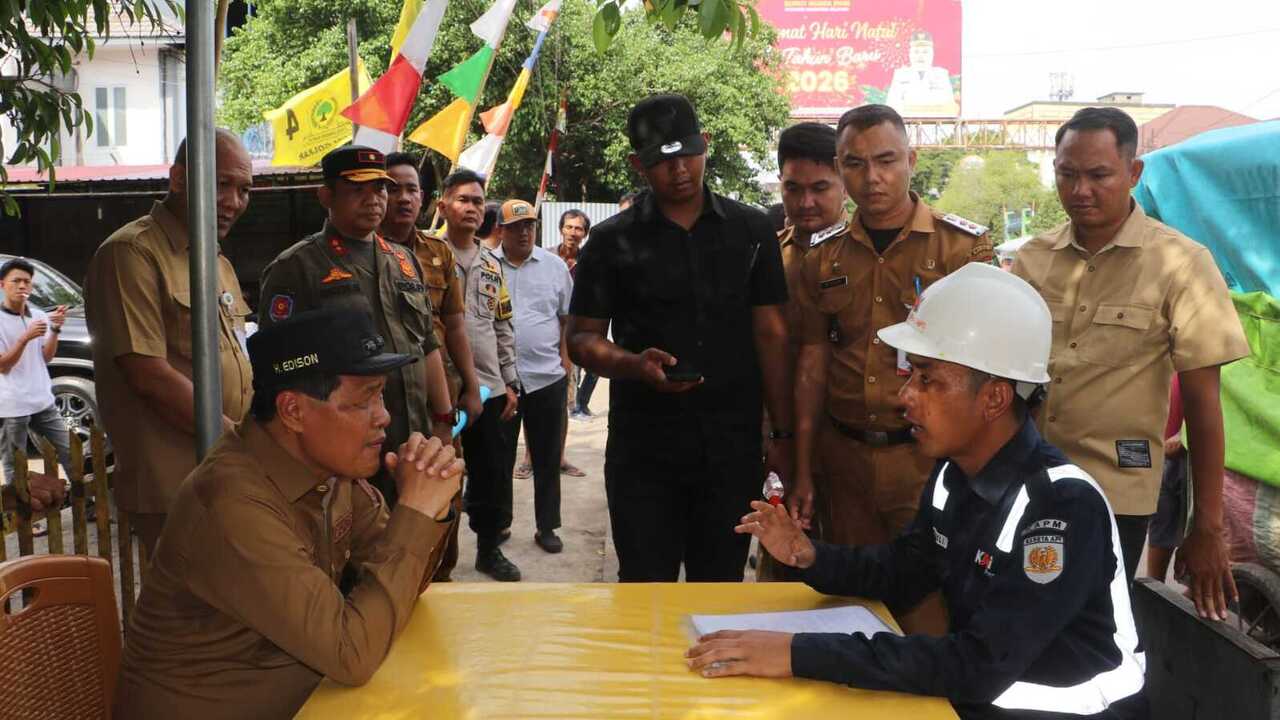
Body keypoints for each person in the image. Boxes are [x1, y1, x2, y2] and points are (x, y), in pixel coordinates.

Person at [688, 263, 1148, 720]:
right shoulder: (954, 475)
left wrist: (796, 654)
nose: (903, 395)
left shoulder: (1062, 506)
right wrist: (809, 555)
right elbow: (903, 570)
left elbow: (978, 665)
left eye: (927, 379)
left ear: (994, 398)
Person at [114, 307, 463, 718]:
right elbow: (351, 654)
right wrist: (415, 513)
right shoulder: (233, 502)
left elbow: (397, 583)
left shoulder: (332, 473)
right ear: (293, 411)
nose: (384, 416)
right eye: (363, 400)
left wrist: (430, 510)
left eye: (381, 394)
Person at [1011, 107, 1250, 620]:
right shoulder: (1032, 259)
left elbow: (1206, 410)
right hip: (1026, 482)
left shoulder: (1181, 264)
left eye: (1099, 175)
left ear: (1133, 173)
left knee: (1099, 637)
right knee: (1020, 625)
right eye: (1067, 174)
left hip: (1113, 496)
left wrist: (1206, 527)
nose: (1080, 190)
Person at [567, 93, 793, 582]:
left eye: (688, 153)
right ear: (637, 164)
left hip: (731, 453)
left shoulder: (752, 231)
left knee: (720, 588)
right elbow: (581, 339)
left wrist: (781, 435)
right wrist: (632, 364)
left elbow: (772, 335)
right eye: (661, 161)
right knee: (645, 590)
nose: (679, 170)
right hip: (644, 453)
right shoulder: (611, 240)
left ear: (706, 144)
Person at [792, 104, 992, 633]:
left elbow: (989, 370)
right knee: (854, 607)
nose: (872, 177)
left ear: (912, 159)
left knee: (934, 611)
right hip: (846, 461)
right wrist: (804, 464)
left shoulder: (963, 248)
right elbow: (813, 360)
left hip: (928, 462)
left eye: (886, 160)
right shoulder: (823, 255)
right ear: (840, 168)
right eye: (854, 164)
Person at [83, 129, 256, 559]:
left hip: (226, 471)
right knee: (195, 617)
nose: (234, 201)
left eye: (244, 189)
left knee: (230, 612)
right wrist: (242, 445)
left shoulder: (216, 260)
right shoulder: (132, 253)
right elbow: (148, 375)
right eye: (221, 184)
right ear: (179, 179)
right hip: (177, 484)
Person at [258, 144, 456, 510]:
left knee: (425, 542)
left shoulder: (403, 261)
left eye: (380, 188)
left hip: (412, 443)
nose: (374, 199)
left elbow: (427, 344)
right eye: (357, 190)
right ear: (326, 196)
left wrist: (444, 422)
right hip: (342, 460)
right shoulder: (298, 267)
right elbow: (279, 373)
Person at [381, 151, 483, 582]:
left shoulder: (437, 253)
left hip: (439, 397)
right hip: (385, 402)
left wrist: (473, 389)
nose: (403, 198)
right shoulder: (361, 252)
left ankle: (440, 576)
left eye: (412, 189)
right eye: (392, 188)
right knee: (388, 494)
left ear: (425, 199)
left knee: (444, 489)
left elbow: (455, 327)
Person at [756, 122, 846, 582]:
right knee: (785, 568)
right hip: (784, 440)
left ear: (843, 183)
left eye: (820, 188)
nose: (806, 202)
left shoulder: (870, 256)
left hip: (854, 443)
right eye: (793, 188)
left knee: (850, 571)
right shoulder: (768, 257)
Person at [434, 170, 523, 582]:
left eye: (477, 201)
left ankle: (489, 549)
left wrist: (511, 381)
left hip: (487, 387)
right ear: (442, 206)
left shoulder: (492, 264)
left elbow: (503, 326)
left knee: (491, 475)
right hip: (439, 388)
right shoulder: (422, 256)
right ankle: (436, 559)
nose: (472, 208)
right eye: (463, 200)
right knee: (438, 475)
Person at [495, 199, 574, 555]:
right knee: (498, 458)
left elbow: (565, 319)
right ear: (502, 231)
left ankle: (547, 527)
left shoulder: (555, 267)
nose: (524, 231)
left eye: (529, 225)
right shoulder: (487, 266)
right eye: (516, 226)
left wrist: (566, 361)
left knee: (546, 457)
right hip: (499, 380)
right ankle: (499, 524)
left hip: (546, 377)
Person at [0, 257, 73, 535]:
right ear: (2, 285)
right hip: (12, 404)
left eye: (27, 282)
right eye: (16, 281)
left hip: (42, 400)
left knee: (68, 448)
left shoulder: (38, 315)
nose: (22, 286)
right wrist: (24, 337)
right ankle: (23, 516)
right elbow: (3, 365)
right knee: (14, 464)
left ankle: (86, 500)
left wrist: (54, 328)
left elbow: (46, 357)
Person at [885, 31, 958, 117]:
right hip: (907, 126)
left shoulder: (941, 75)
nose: (920, 56)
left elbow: (949, 108)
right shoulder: (900, 75)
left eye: (925, 52)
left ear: (932, 54)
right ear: (910, 55)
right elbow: (891, 107)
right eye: (916, 52)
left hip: (935, 126)